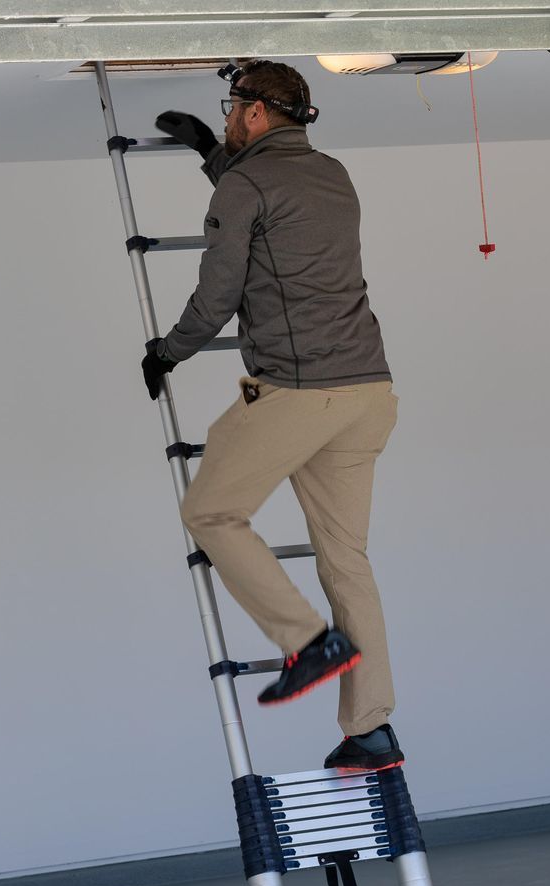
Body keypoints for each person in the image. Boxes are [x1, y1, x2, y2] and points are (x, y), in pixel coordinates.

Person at [142, 60, 403, 773]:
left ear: (255, 114)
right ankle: (371, 730)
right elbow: (272, 207)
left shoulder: (243, 182)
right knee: (347, 562)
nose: (227, 117)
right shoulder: (333, 174)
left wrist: (168, 352)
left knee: (211, 513)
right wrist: (208, 151)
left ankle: (306, 641)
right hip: (369, 395)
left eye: (230, 109)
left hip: (297, 391)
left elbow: (218, 293)